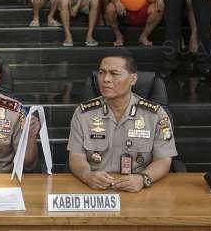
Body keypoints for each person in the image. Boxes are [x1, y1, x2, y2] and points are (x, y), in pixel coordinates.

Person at [68, 54, 177, 192]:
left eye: (114, 73)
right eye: (101, 73)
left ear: (133, 79)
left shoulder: (155, 114)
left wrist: (143, 178)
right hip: (96, 189)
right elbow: (76, 156)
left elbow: (164, 160)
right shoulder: (83, 113)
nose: (105, 79)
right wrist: (88, 176)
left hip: (138, 189)